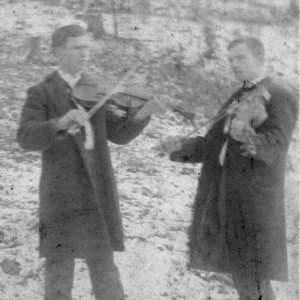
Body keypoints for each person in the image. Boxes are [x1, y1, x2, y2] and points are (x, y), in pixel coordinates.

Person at [17, 24, 165, 300]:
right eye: (77, 48)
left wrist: (144, 112)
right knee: (60, 269)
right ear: (58, 51)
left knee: (104, 268)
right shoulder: (42, 92)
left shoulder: (94, 88)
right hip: (61, 194)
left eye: (87, 47)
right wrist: (59, 122)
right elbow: (26, 137)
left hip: (96, 191)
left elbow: (120, 134)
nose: (85, 54)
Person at [162, 37, 298, 300]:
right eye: (231, 59)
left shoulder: (280, 95)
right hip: (226, 199)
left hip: (253, 203)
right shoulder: (239, 96)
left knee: (251, 281)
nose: (234, 64)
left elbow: (276, 147)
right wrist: (179, 147)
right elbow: (212, 144)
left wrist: (246, 135)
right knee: (244, 279)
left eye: (241, 58)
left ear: (260, 59)